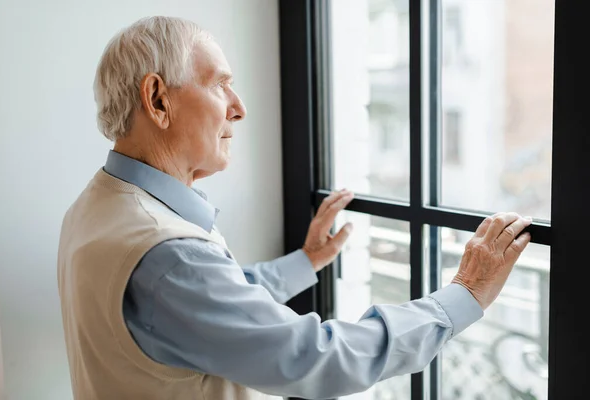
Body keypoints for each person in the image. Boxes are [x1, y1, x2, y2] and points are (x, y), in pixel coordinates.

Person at [57, 16, 533, 400]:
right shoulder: (165, 255)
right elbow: (317, 358)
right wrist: (464, 295)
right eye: (220, 84)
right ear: (158, 99)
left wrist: (307, 261)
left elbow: (203, 303)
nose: (238, 107)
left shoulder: (98, 205)